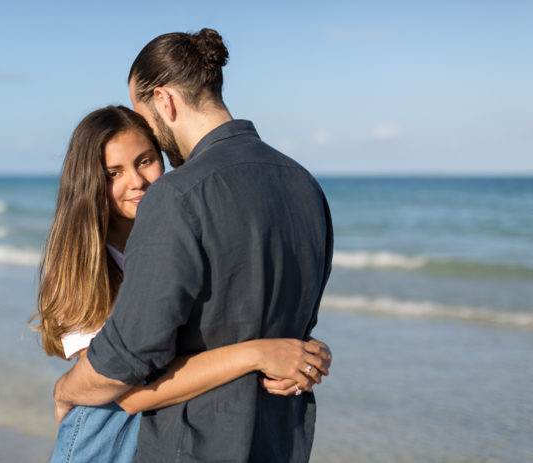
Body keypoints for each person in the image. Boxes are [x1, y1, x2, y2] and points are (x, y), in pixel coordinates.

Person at [34, 105, 332, 462]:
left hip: (176, 433)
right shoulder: (82, 268)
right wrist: (257, 354)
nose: (136, 181)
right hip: (107, 439)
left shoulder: (182, 233)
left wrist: (299, 353)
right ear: (90, 183)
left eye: (145, 161)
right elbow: (130, 392)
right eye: (114, 172)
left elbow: (215, 327)